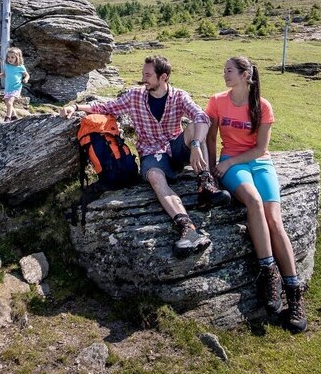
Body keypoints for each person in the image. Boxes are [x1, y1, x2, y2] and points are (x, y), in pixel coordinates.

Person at [60, 54, 230, 256]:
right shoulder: (135, 96)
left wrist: (194, 144)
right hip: (151, 153)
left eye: (148, 75)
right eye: (143, 74)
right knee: (154, 177)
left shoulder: (179, 96)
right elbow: (106, 107)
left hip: (175, 149)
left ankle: (205, 185)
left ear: (163, 77)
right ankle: (188, 229)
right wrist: (76, 107)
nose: (143, 78)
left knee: (195, 127)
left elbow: (201, 116)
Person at [206, 55, 307, 332]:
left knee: (275, 220)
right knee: (253, 201)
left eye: (229, 70)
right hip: (230, 165)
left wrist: (229, 162)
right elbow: (210, 138)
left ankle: (295, 292)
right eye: (224, 69)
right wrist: (213, 170)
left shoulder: (262, 106)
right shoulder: (217, 101)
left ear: (245, 75)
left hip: (258, 163)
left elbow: (261, 149)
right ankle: (268, 271)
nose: (225, 74)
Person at [0, 46, 29, 121]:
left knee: (9, 102)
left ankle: (7, 117)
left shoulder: (20, 67)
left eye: (12, 57)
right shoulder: (7, 66)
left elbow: (27, 75)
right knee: (7, 102)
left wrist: (26, 79)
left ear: (17, 58)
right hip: (8, 88)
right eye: (8, 57)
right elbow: (4, 75)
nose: (10, 59)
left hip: (16, 87)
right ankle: (14, 116)